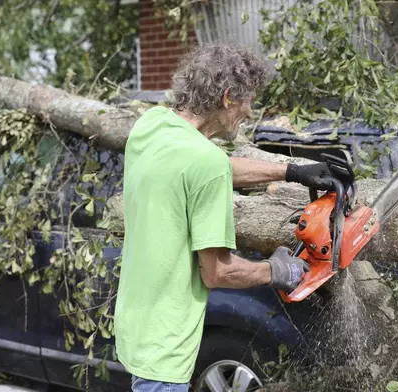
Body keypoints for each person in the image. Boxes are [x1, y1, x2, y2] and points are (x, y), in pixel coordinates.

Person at [113, 43, 338, 392]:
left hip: (135, 329)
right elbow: (218, 271)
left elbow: (209, 168)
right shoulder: (205, 163)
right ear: (229, 96)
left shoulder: (152, 126)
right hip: (167, 354)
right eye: (248, 102)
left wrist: (293, 171)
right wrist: (279, 271)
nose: (249, 111)